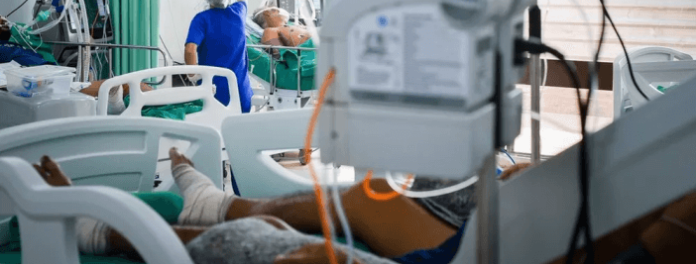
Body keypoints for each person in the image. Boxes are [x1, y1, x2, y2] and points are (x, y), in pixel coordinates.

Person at [17, 152, 696, 264]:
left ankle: (106, 227)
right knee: (385, 188)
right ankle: (211, 201)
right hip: (503, 214)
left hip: (491, 239)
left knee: (279, 234)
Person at [185, 0, 253, 112]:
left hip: (213, 96)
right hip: (241, 96)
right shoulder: (239, 13)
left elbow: (190, 50)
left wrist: (193, 74)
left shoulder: (202, 20)